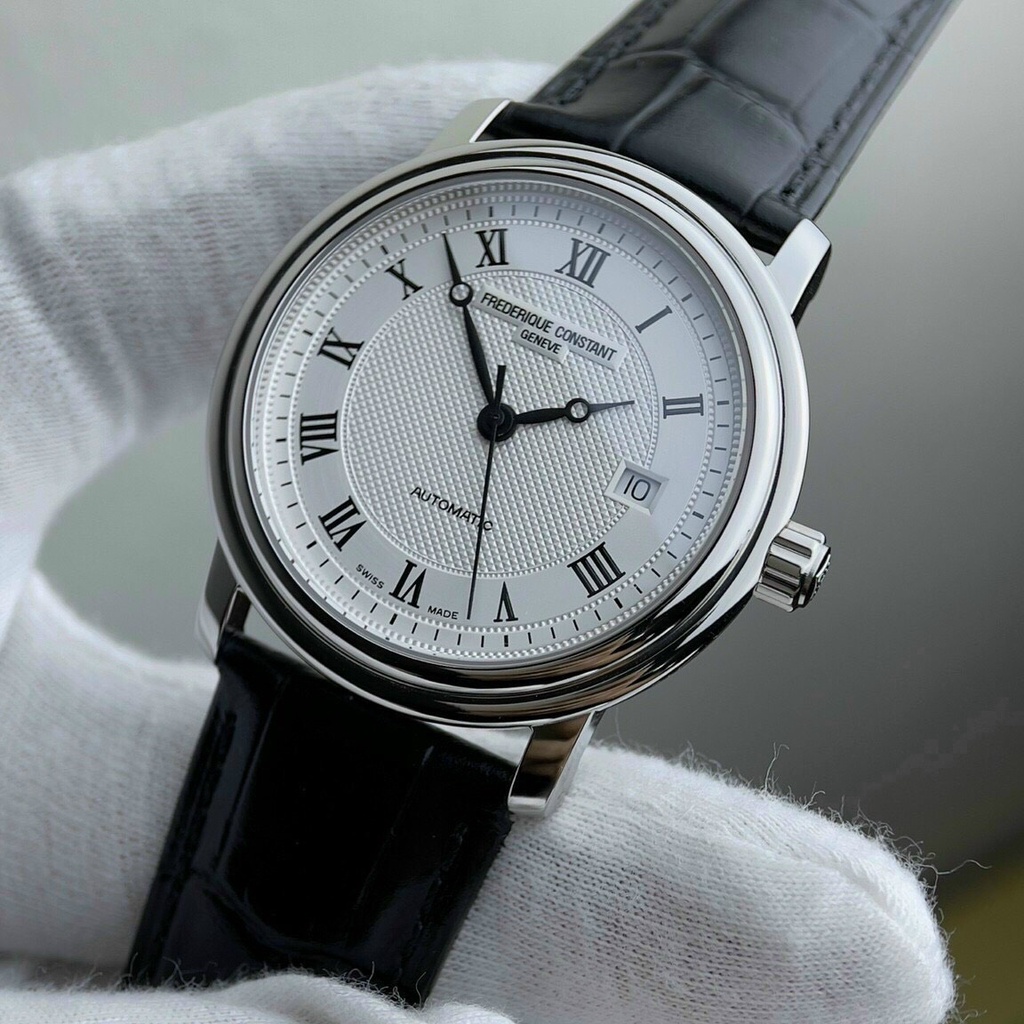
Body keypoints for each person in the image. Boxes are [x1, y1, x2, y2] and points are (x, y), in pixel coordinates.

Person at [0, 63, 954, 1024]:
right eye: (496, 410)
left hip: (460, 719)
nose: (496, 420)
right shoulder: (472, 178)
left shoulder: (743, 304)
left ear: (763, 553)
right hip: (286, 609)